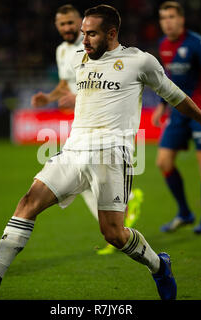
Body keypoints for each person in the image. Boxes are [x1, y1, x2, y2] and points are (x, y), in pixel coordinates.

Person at [0, 4, 201, 300]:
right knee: (28, 202)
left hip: (112, 154)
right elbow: (79, 87)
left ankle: (158, 265)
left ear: (112, 33)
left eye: (91, 34)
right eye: (83, 33)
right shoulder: (81, 58)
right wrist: (59, 97)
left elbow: (175, 95)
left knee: (113, 234)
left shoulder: (139, 62)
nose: (85, 40)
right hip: (73, 150)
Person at [30, 4, 143, 255]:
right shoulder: (63, 52)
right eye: (62, 24)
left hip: (102, 124)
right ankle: (118, 221)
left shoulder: (94, 47)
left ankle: (117, 225)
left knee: (88, 177)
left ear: (80, 22)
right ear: (57, 27)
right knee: (85, 181)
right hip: (81, 123)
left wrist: (76, 96)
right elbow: (64, 83)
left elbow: (106, 83)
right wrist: (49, 98)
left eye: (72, 23)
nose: (68, 28)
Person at [151, 1, 201, 234]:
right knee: (163, 162)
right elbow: (168, 80)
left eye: (171, 16)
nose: (167, 22)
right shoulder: (163, 45)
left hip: (199, 110)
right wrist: (162, 106)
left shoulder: (196, 42)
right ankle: (185, 212)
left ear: (181, 19)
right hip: (177, 110)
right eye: (163, 18)